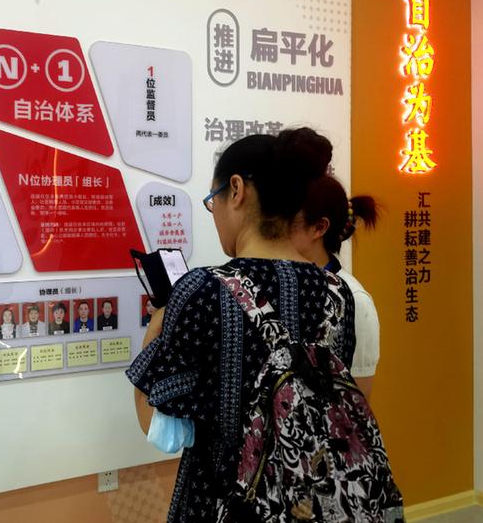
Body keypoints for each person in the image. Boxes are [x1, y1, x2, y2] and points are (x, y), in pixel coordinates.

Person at [126, 129, 356, 523]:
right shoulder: (338, 293)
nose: (213, 213)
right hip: (310, 506)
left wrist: (157, 325)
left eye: (212, 200)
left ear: (236, 190)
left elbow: (160, 429)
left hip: (219, 507)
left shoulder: (201, 290)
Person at [292, 174, 380, 399]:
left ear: (319, 227)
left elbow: (357, 400)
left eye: (288, 217)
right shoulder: (285, 286)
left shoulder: (356, 300)